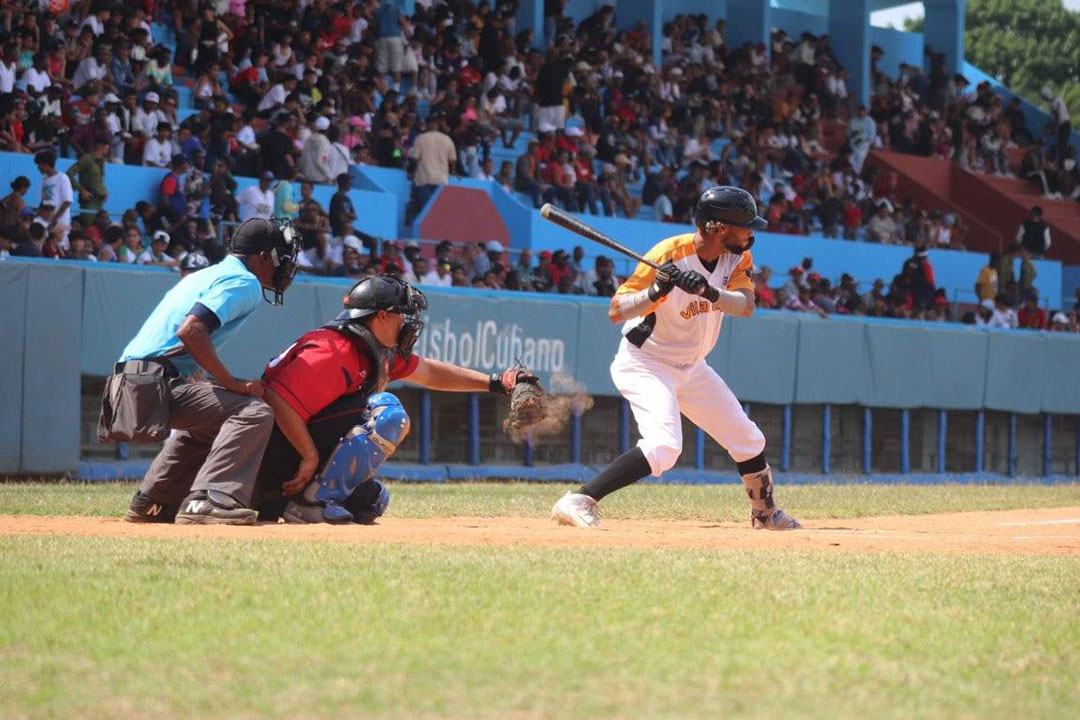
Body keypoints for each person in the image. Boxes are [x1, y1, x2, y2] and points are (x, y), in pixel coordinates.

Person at [550, 186, 801, 530]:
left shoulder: (737, 255)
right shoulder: (668, 254)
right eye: (745, 226)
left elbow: (745, 306)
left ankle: (765, 514)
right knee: (665, 446)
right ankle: (579, 499)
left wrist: (707, 290)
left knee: (748, 438)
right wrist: (656, 291)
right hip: (646, 363)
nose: (751, 233)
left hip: (692, 367)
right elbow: (615, 310)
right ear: (720, 227)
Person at [254, 275, 541, 523]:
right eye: (401, 314)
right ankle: (309, 505)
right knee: (387, 413)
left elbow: (430, 373)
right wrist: (309, 456)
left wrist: (494, 383)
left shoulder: (376, 349)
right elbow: (277, 398)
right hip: (273, 454)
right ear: (382, 316)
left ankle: (310, 499)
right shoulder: (335, 349)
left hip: (292, 454)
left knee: (370, 501)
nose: (407, 322)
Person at [112, 218, 302, 526]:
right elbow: (192, 330)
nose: (287, 266)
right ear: (265, 257)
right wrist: (232, 382)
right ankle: (210, 500)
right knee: (254, 412)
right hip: (151, 383)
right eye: (283, 255)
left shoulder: (208, 274)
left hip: (132, 381)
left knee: (213, 418)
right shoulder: (245, 282)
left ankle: (154, 501)